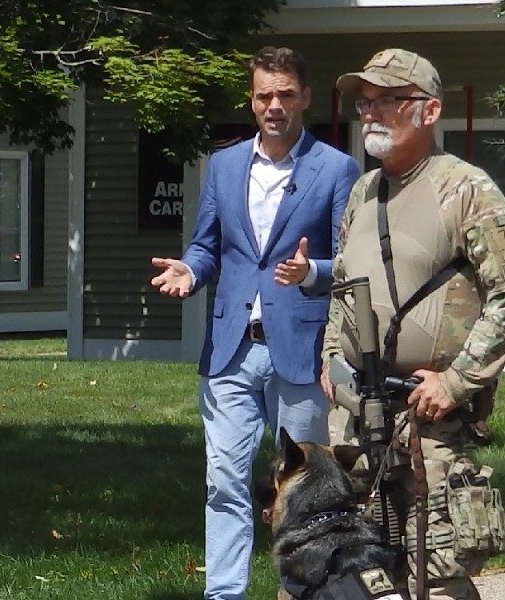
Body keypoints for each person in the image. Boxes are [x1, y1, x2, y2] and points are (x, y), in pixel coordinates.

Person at [322, 48, 505, 600]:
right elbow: (343, 286)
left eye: (388, 100)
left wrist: (459, 379)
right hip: (355, 418)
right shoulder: (362, 191)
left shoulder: (465, 189)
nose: (370, 112)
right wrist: (329, 358)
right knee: (357, 573)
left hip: (428, 422)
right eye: (366, 101)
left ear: (429, 110)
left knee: (434, 574)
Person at [150, 46, 360, 600]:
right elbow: (206, 246)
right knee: (223, 479)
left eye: (286, 94)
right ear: (252, 100)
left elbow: (350, 259)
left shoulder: (337, 168)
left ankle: (303, 589)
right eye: (265, 95)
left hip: (302, 348)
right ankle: (224, 593)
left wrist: (310, 270)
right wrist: (190, 274)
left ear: (305, 98)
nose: (275, 105)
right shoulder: (224, 165)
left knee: (310, 488)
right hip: (231, 348)